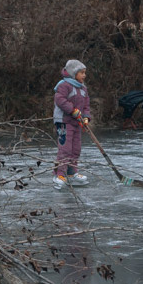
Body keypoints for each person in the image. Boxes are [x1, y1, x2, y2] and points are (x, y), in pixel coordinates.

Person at [53, 59, 92, 190]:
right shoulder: (64, 85)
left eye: (84, 72)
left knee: (76, 148)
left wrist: (86, 117)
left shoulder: (83, 88)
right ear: (73, 73)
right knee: (65, 148)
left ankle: (71, 173)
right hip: (63, 122)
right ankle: (60, 174)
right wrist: (72, 110)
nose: (84, 75)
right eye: (82, 72)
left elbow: (86, 106)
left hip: (76, 123)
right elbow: (60, 100)